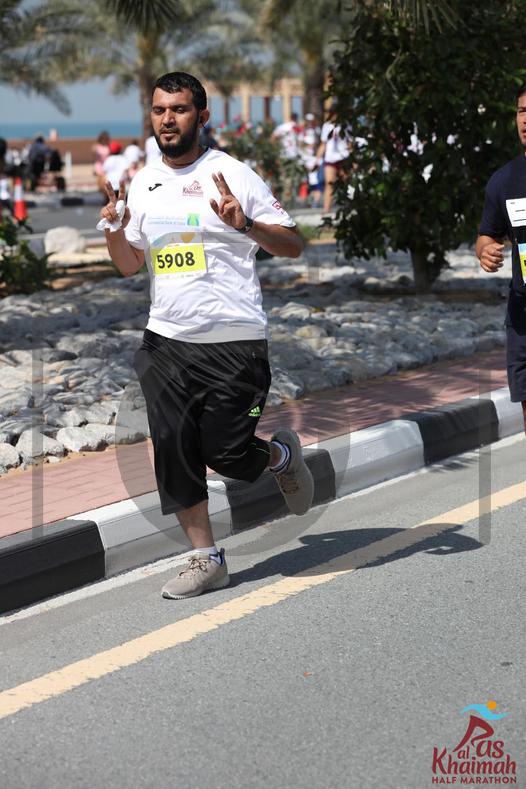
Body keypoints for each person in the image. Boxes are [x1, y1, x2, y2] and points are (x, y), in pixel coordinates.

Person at [99, 71, 314, 600]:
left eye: (178, 109)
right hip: (165, 340)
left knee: (227, 453)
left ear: (202, 116)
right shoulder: (143, 182)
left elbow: (293, 244)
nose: (167, 119)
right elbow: (129, 264)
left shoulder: (232, 174)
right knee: (173, 447)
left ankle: (281, 458)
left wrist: (246, 225)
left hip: (235, 341)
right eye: (159, 110)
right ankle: (206, 557)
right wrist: (113, 230)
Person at [477, 82, 526, 433]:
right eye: (522, 111)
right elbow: (486, 235)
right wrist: (485, 251)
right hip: (523, 313)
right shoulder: (503, 181)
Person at [316, 110, 351, 215]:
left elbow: (350, 142)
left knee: (346, 182)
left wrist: (353, 159)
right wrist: (317, 160)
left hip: (343, 157)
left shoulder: (347, 125)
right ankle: (326, 209)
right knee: (329, 183)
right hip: (330, 158)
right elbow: (323, 144)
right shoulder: (327, 126)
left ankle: (348, 206)